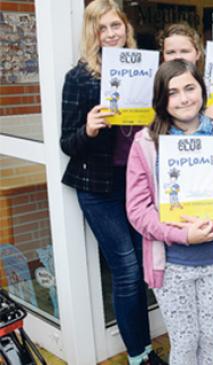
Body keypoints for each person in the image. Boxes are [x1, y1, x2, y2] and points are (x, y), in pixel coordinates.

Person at [126, 60, 213, 364]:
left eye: (189, 88)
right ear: (160, 99)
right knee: (184, 341)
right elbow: (137, 209)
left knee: (211, 338)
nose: (183, 99)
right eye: (172, 92)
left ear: (201, 88)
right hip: (171, 265)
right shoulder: (145, 144)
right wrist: (181, 234)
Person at [59, 1, 164, 364]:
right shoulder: (80, 77)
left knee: (146, 265)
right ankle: (139, 354)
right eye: (101, 28)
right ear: (93, 34)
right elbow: (66, 143)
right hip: (99, 190)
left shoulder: (143, 69)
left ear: (125, 27)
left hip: (137, 185)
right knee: (127, 271)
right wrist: (88, 128)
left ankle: (146, 346)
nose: (111, 33)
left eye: (115, 25)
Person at [159, 23, 213, 122]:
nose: (178, 57)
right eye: (171, 52)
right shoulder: (156, 87)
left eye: (185, 51)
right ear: (163, 56)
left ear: (198, 54)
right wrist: (203, 118)